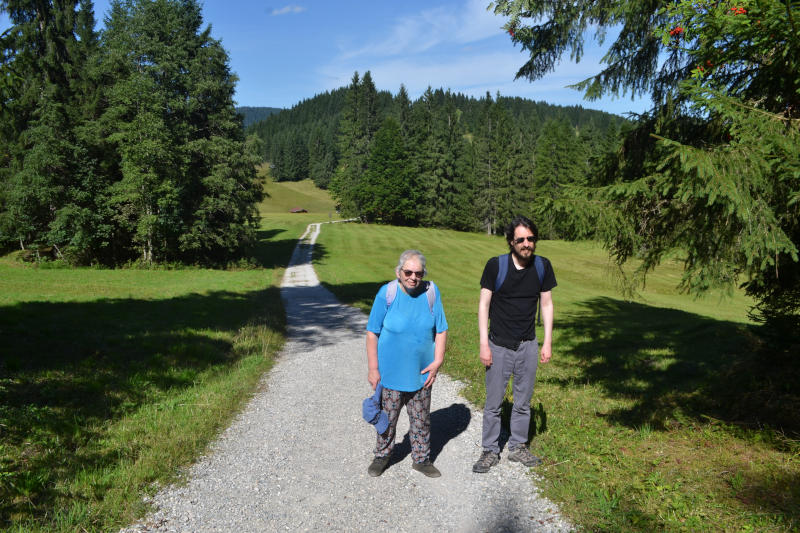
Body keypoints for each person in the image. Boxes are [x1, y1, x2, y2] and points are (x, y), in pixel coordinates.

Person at [472, 215, 557, 473]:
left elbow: (547, 304)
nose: (526, 244)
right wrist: (484, 344)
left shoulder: (542, 266)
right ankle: (489, 450)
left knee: (523, 401)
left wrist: (547, 342)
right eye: (521, 239)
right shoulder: (496, 266)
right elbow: (484, 305)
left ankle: (518, 447)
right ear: (511, 242)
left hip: (528, 344)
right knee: (493, 402)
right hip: (498, 345)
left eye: (531, 238)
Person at [365, 249, 448, 478]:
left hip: (421, 373)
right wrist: (373, 368)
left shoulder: (432, 292)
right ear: (399, 272)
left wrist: (437, 361)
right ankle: (382, 455)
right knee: (387, 419)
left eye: (418, 273)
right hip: (390, 374)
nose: (413, 277)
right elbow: (372, 332)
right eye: (408, 272)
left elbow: (441, 329)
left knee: (421, 420)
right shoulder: (387, 293)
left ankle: (421, 459)